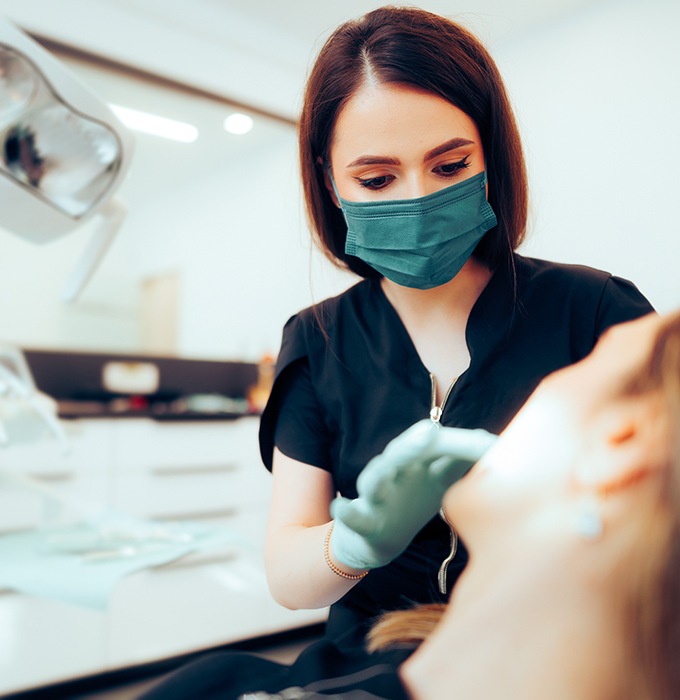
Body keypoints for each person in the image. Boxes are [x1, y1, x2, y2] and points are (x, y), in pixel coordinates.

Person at [258, 3, 653, 650]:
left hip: (556, 652)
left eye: (448, 167)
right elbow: (288, 576)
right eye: (378, 178)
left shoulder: (593, 312)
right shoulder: (317, 340)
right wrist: (356, 540)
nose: (415, 198)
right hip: (377, 650)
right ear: (330, 184)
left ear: (489, 158)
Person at [142, 310, 680, 699]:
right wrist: (352, 543)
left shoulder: (224, 685)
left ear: (621, 442)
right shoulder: (318, 336)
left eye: (581, 368)